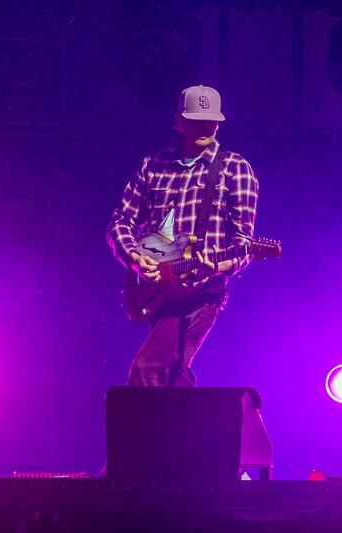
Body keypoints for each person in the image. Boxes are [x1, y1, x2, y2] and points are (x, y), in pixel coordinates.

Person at [107, 85, 259, 387]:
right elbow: (120, 221)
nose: (204, 127)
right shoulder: (154, 166)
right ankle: (203, 433)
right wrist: (136, 259)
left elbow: (243, 244)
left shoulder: (235, 169)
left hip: (202, 295)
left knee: (147, 370)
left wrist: (217, 266)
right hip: (159, 289)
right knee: (175, 382)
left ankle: (140, 435)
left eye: (210, 121)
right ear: (179, 122)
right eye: (195, 120)